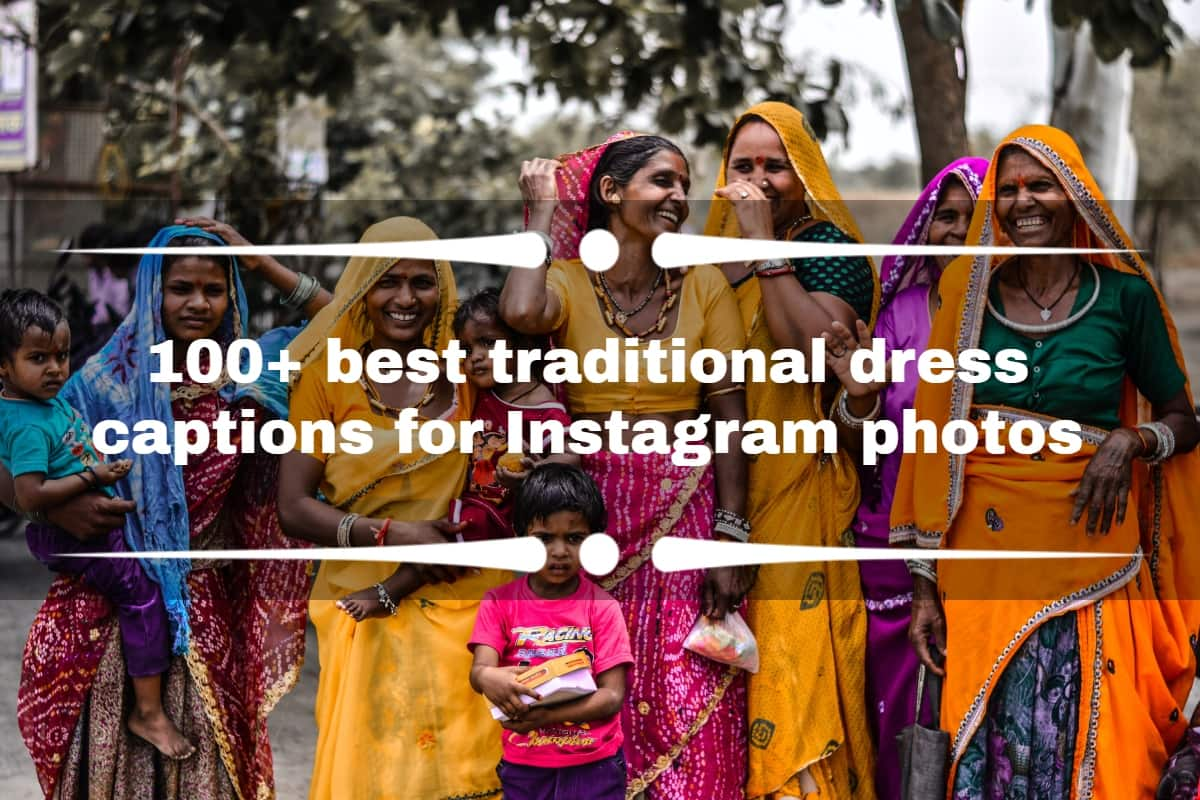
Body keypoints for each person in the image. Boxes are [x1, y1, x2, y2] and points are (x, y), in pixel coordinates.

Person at [891, 125, 1200, 797]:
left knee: (1086, 735)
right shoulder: (969, 301)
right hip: (985, 562)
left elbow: (1183, 419)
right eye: (1008, 190)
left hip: (1092, 555)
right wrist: (923, 589)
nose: (1023, 201)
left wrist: (1130, 442)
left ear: (1076, 196)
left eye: (1041, 185)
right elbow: (934, 439)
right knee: (988, 735)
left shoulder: (1125, 300)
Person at [3, 219, 321, 799]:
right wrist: (46, 512)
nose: (198, 303)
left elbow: (346, 327)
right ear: (153, 290)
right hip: (107, 614)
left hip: (206, 609)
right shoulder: (100, 381)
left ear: (232, 296)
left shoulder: (255, 371)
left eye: (214, 289)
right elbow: (18, 451)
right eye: (180, 288)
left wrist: (261, 261)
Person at [503, 133, 754, 798]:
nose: (679, 196)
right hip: (591, 515)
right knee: (588, 677)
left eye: (684, 184)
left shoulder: (701, 284)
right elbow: (521, 311)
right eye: (662, 181)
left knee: (684, 687)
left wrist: (730, 533)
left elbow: (731, 415)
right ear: (611, 193)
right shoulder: (565, 279)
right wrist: (537, 219)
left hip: (683, 508)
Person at [278, 216, 508, 799]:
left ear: (444, 288)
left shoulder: (468, 373)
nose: (406, 299)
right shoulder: (328, 376)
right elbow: (294, 507)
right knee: (377, 771)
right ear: (363, 288)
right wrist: (394, 534)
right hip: (363, 601)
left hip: (468, 595)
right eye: (387, 281)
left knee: (469, 769)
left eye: (422, 282)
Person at [702, 100, 879, 799]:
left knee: (792, 677)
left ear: (803, 175)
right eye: (742, 165)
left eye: (775, 166)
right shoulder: (706, 265)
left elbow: (812, 355)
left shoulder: (830, 250)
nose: (758, 179)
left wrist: (765, 243)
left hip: (798, 497)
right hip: (713, 498)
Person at [823, 157, 988, 799]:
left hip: (989, 543)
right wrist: (860, 400)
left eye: (973, 219)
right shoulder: (904, 315)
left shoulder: (1011, 316)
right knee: (904, 716)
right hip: (896, 541)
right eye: (945, 217)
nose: (956, 231)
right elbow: (866, 437)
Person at [0, 288, 191, 759]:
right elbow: (29, 494)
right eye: (38, 358)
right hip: (75, 535)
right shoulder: (27, 424)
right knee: (142, 593)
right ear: (3, 366)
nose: (55, 369)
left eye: (61, 356)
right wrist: (94, 475)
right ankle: (148, 710)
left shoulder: (42, 404)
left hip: (80, 529)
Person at [336, 287, 575, 620]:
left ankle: (390, 591)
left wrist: (536, 475)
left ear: (525, 344)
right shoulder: (480, 393)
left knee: (458, 531)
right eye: (466, 348)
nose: (474, 356)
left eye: (488, 343)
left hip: (499, 513)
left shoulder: (541, 409)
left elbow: (571, 455)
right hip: (470, 498)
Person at [469, 463, 633, 800]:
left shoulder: (603, 607)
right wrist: (487, 678)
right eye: (544, 538)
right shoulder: (498, 602)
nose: (559, 551)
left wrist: (543, 716)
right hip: (525, 766)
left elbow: (612, 696)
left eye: (574, 538)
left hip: (595, 766)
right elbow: (480, 671)